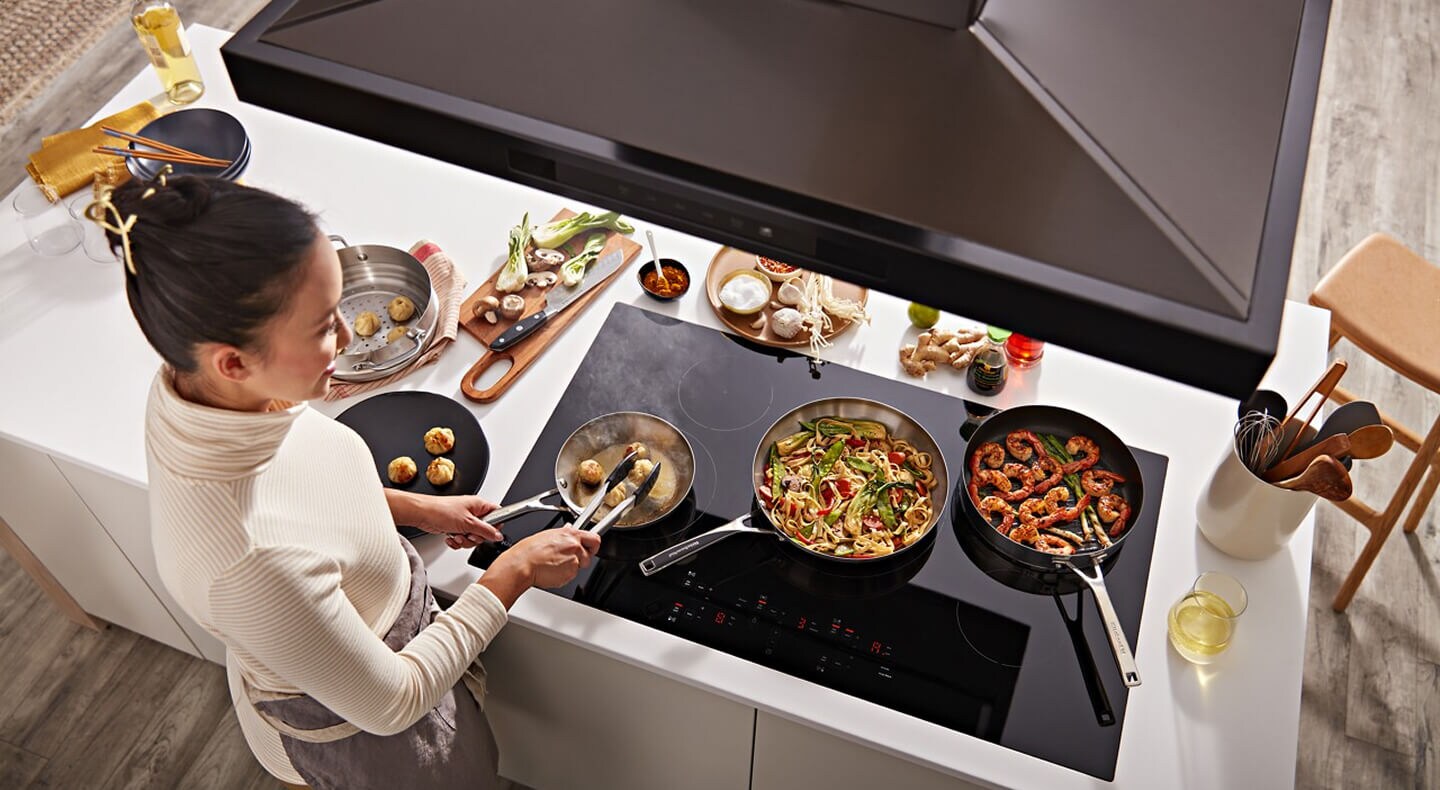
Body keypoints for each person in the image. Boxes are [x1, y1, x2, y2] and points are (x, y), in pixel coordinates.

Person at [90, 172, 600, 789]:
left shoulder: (206, 392)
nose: (343, 339)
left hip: (356, 639)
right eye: (321, 327)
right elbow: (390, 704)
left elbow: (303, 497)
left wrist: (421, 510)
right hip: (369, 733)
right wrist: (512, 572)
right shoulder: (248, 562)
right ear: (233, 361)